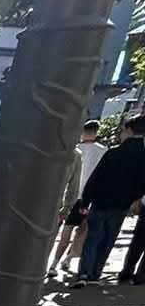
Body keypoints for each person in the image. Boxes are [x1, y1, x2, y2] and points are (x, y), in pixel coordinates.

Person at [73, 115, 145, 285]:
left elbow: (95, 178)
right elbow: (142, 182)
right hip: (122, 205)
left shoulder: (113, 153)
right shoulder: (142, 157)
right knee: (108, 239)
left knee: (93, 238)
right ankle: (96, 273)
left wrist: (85, 201)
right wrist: (135, 200)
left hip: (100, 201)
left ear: (128, 130)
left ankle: (84, 273)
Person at [49, 119, 105, 280]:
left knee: (64, 232)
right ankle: (67, 259)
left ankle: (54, 263)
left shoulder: (73, 150)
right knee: (81, 232)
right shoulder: (103, 151)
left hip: (71, 197)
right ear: (96, 132)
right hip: (88, 199)